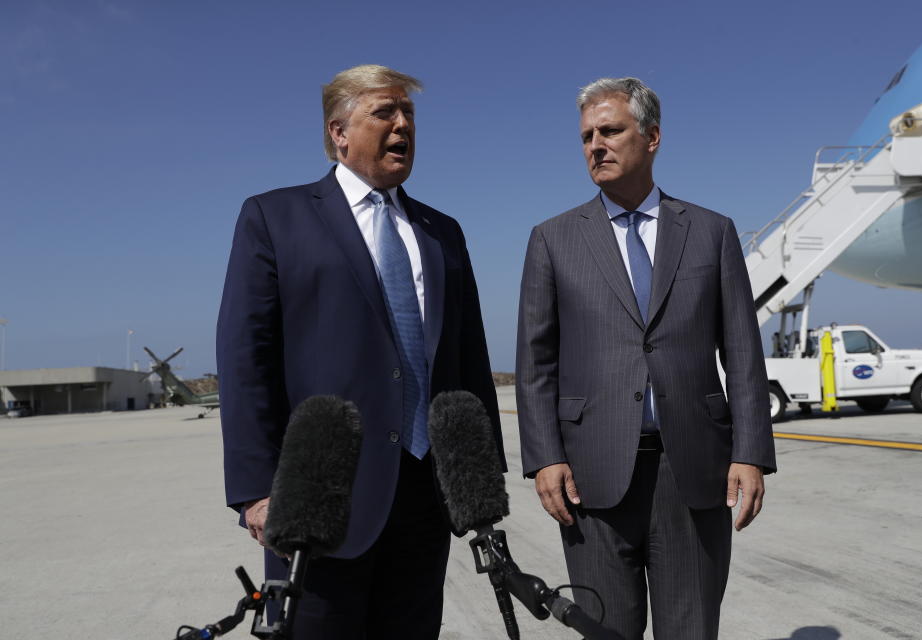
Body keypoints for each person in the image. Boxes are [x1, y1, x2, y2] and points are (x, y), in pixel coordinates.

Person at [216, 64, 504, 639]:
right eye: (386, 112)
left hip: (425, 497)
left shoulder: (442, 231)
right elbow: (246, 356)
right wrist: (255, 491)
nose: (403, 125)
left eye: (410, 115)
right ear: (338, 131)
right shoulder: (275, 217)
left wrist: (479, 478)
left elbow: (469, 357)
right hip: (319, 500)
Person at [516, 77, 776, 639]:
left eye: (610, 131)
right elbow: (536, 363)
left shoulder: (711, 232)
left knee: (691, 630)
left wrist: (752, 451)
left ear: (652, 137)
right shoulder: (553, 239)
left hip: (695, 472)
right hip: (591, 477)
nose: (595, 146)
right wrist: (543, 458)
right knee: (607, 632)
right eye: (586, 136)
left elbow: (743, 354)